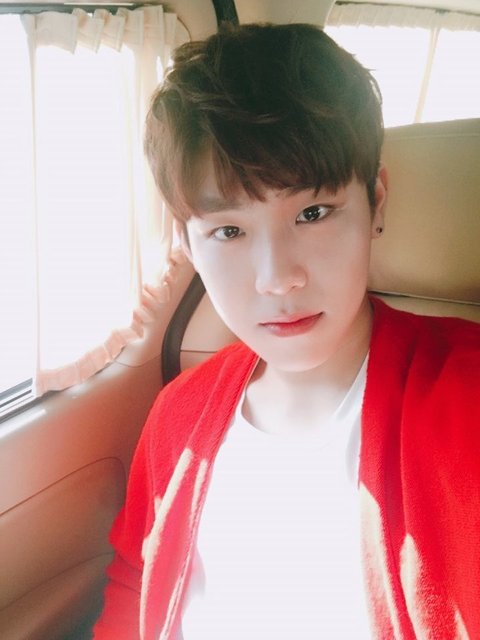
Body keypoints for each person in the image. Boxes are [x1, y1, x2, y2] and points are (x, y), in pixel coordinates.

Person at [93, 23, 480, 640]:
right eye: (228, 231)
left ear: (376, 204)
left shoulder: (466, 396)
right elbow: (136, 581)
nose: (277, 279)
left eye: (312, 212)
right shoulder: (178, 414)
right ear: (187, 242)